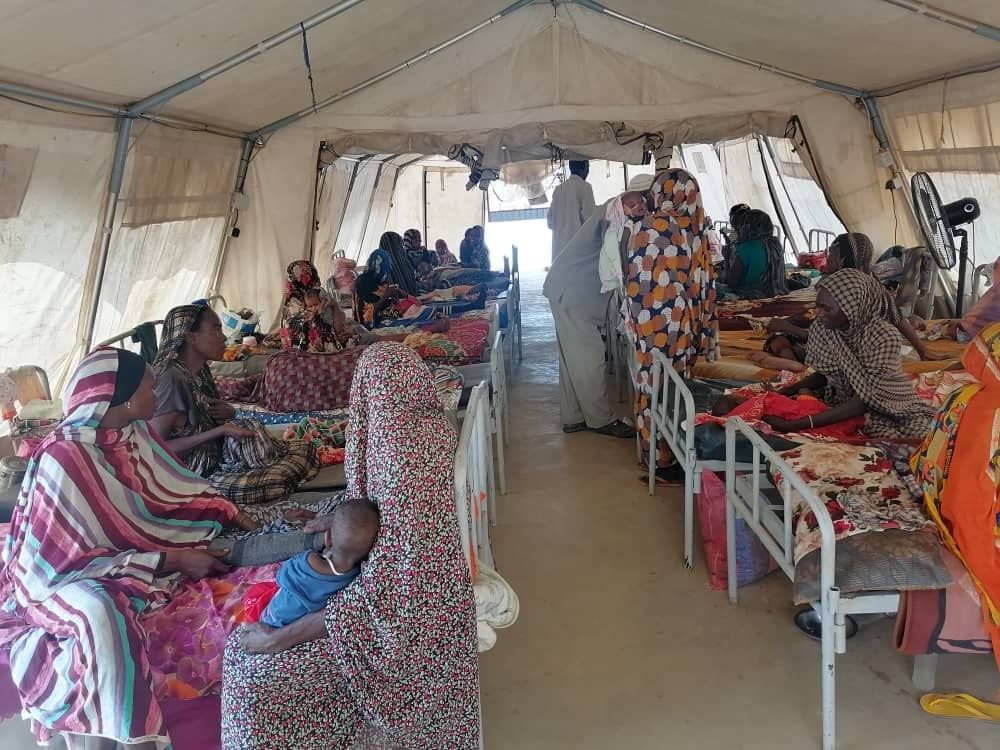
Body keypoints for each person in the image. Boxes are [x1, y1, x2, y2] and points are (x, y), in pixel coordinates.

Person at [222, 343, 480, 750]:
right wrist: (336, 520)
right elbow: (387, 521)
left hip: (411, 617)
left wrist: (278, 639)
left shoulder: (398, 456)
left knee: (248, 678)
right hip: (410, 583)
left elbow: (389, 594)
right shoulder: (421, 432)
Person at [0, 348, 257, 750]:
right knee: (100, 615)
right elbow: (60, 559)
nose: (156, 397)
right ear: (120, 397)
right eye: (149, 388)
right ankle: (128, 738)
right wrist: (167, 559)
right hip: (56, 575)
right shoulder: (66, 457)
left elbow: (170, 492)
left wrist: (229, 511)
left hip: (116, 558)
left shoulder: (130, 436)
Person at [151, 305, 320, 505]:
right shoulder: (171, 380)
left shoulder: (199, 371)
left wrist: (229, 413)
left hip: (217, 457)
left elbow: (211, 415)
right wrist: (219, 431)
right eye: (215, 330)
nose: (223, 337)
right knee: (276, 482)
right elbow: (156, 449)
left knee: (305, 449)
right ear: (190, 337)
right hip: (192, 474)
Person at [912, 321, 1000, 662]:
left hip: (939, 494)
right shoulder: (990, 415)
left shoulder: (967, 395)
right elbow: (970, 506)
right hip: (970, 518)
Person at [626, 168, 718, 483]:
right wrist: (703, 329)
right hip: (687, 324)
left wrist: (636, 330)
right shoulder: (698, 229)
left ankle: (658, 460)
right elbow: (705, 285)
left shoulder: (649, 228)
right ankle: (680, 455)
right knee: (679, 387)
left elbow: (637, 283)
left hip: (655, 326)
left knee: (652, 387)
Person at [764, 269, 933, 440]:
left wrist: (796, 425)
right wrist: (784, 391)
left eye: (827, 309)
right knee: (887, 442)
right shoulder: (824, 329)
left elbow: (865, 399)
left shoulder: (883, 336)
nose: (820, 314)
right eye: (819, 306)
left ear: (854, 307)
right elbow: (825, 375)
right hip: (853, 407)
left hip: (892, 401)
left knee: (921, 440)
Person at [544, 175, 652, 438]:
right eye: (635, 202)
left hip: (568, 289)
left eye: (642, 203)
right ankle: (600, 420)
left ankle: (573, 417)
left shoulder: (614, 212)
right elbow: (620, 255)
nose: (639, 207)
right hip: (573, 293)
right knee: (590, 356)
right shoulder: (613, 214)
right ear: (627, 198)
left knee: (574, 360)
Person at [766, 232, 943, 362]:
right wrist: (922, 350)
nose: (828, 259)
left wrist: (784, 326)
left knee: (778, 338)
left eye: (831, 255)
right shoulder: (872, 282)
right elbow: (898, 319)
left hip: (847, 352)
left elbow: (824, 336)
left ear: (841, 258)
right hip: (868, 348)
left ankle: (798, 369)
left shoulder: (841, 288)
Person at [253, 499, 379, 628]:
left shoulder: (309, 560)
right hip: (296, 623)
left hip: (273, 616)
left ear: (328, 538)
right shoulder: (354, 576)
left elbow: (281, 577)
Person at [281, 260, 374, 352]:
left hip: (297, 348)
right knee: (367, 337)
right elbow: (334, 330)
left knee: (358, 328)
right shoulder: (312, 306)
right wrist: (334, 307)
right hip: (325, 345)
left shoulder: (290, 306)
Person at [353, 250, 439, 328]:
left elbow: (389, 299)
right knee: (417, 319)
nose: (388, 271)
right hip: (375, 322)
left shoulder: (377, 280)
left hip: (389, 314)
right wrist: (386, 296)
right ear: (378, 267)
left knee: (425, 310)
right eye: (385, 268)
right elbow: (367, 315)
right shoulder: (362, 282)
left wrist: (400, 294)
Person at [725, 208, 788, 298]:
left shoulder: (746, 247)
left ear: (746, 228)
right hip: (776, 292)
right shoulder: (776, 244)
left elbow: (731, 283)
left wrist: (726, 259)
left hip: (751, 295)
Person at [547, 160, 596, 263]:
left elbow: (550, 222)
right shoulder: (585, 187)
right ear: (585, 168)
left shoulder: (558, 189)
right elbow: (590, 221)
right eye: (588, 168)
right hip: (577, 252)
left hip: (558, 253)